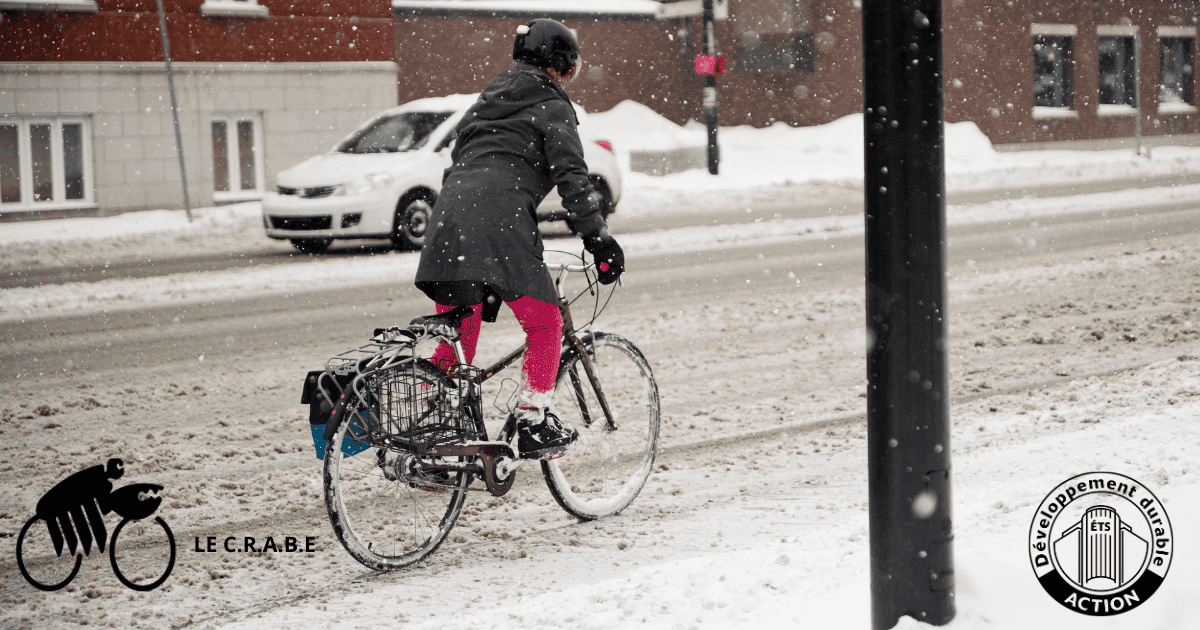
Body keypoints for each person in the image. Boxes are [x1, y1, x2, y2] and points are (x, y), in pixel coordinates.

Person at [414, 18, 625, 460]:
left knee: (459, 331)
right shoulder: (552, 104)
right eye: (570, 67)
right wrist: (598, 237)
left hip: (448, 220)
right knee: (545, 322)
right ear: (560, 66)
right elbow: (572, 175)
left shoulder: (486, 100)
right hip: (502, 223)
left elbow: (464, 159)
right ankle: (533, 420)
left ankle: (431, 433)